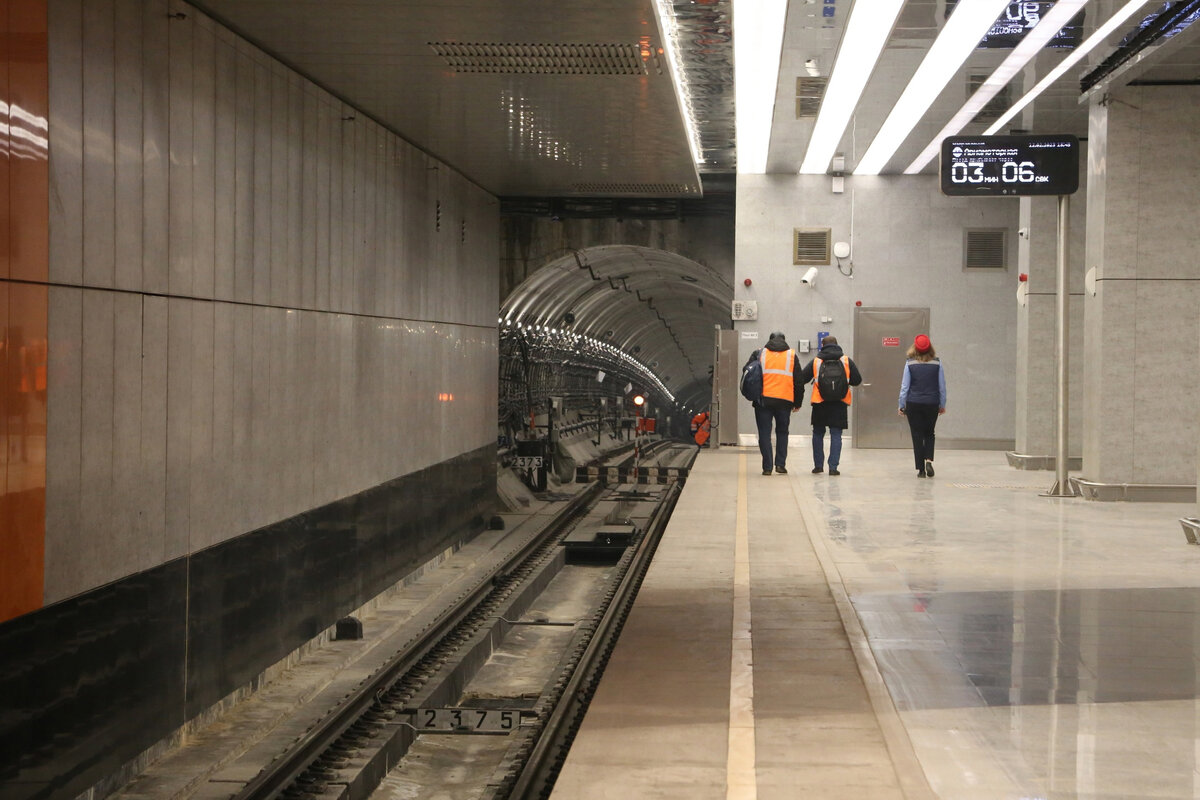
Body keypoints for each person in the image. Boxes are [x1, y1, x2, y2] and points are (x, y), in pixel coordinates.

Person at [799, 335, 862, 475]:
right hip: (840, 402)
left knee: (818, 434)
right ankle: (833, 468)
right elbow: (857, 380)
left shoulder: (816, 361)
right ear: (837, 344)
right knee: (836, 434)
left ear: (822, 345)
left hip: (820, 402)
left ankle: (818, 466)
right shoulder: (846, 360)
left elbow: (802, 378)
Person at [744, 331, 804, 476]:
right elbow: (798, 381)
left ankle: (767, 467)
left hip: (763, 401)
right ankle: (780, 465)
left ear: (769, 340)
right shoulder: (791, 356)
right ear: (784, 340)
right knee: (782, 432)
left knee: (764, 433)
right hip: (785, 401)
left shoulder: (759, 353)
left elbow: (747, 372)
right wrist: (798, 403)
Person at [898, 334, 946, 478]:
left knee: (917, 435)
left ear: (915, 348)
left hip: (914, 403)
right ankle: (929, 460)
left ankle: (921, 470)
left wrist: (901, 404)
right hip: (932, 403)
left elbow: (905, 387)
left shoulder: (910, 363)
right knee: (930, 433)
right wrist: (942, 404)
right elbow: (942, 386)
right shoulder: (937, 363)